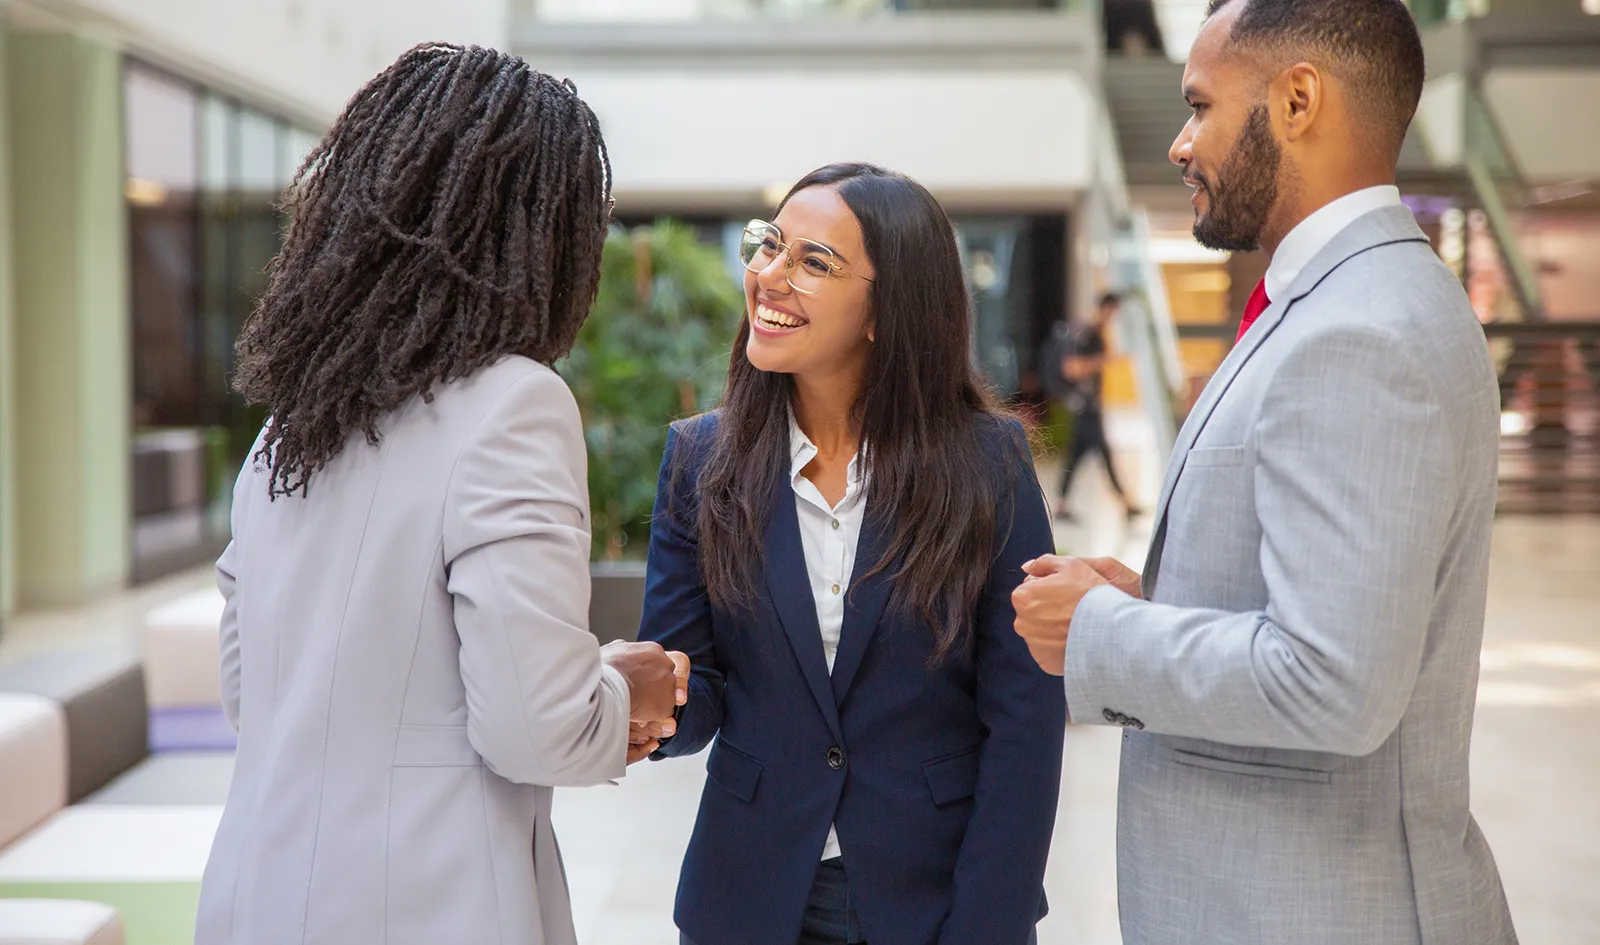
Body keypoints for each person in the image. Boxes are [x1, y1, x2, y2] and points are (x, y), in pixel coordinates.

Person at [1010, 2, 1518, 944]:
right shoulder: (1360, 298)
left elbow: (1332, 679)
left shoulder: (1359, 330)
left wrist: (1101, 632)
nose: (1179, 141)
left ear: (1296, 100)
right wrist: (1157, 601)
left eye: (1200, 105)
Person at [194, 45, 687, 945]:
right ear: (545, 237)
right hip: (430, 909)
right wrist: (625, 687)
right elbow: (535, 727)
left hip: (251, 899)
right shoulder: (514, 404)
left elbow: (247, 690)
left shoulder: (289, 429)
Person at [637, 163, 1064, 945]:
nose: (770, 275)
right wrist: (649, 702)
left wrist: (989, 921)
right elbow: (695, 694)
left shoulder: (988, 463)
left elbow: (1026, 718)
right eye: (769, 247)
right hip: (749, 895)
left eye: (812, 261)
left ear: (885, 309)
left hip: (933, 899)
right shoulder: (701, 459)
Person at [1042, 292, 1141, 521]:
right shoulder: (1084, 334)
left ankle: (1062, 503)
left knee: (1077, 456)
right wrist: (1104, 361)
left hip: (1087, 406)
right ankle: (1125, 503)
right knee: (1101, 452)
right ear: (1106, 308)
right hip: (1084, 406)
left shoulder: (1092, 334)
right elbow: (1072, 368)